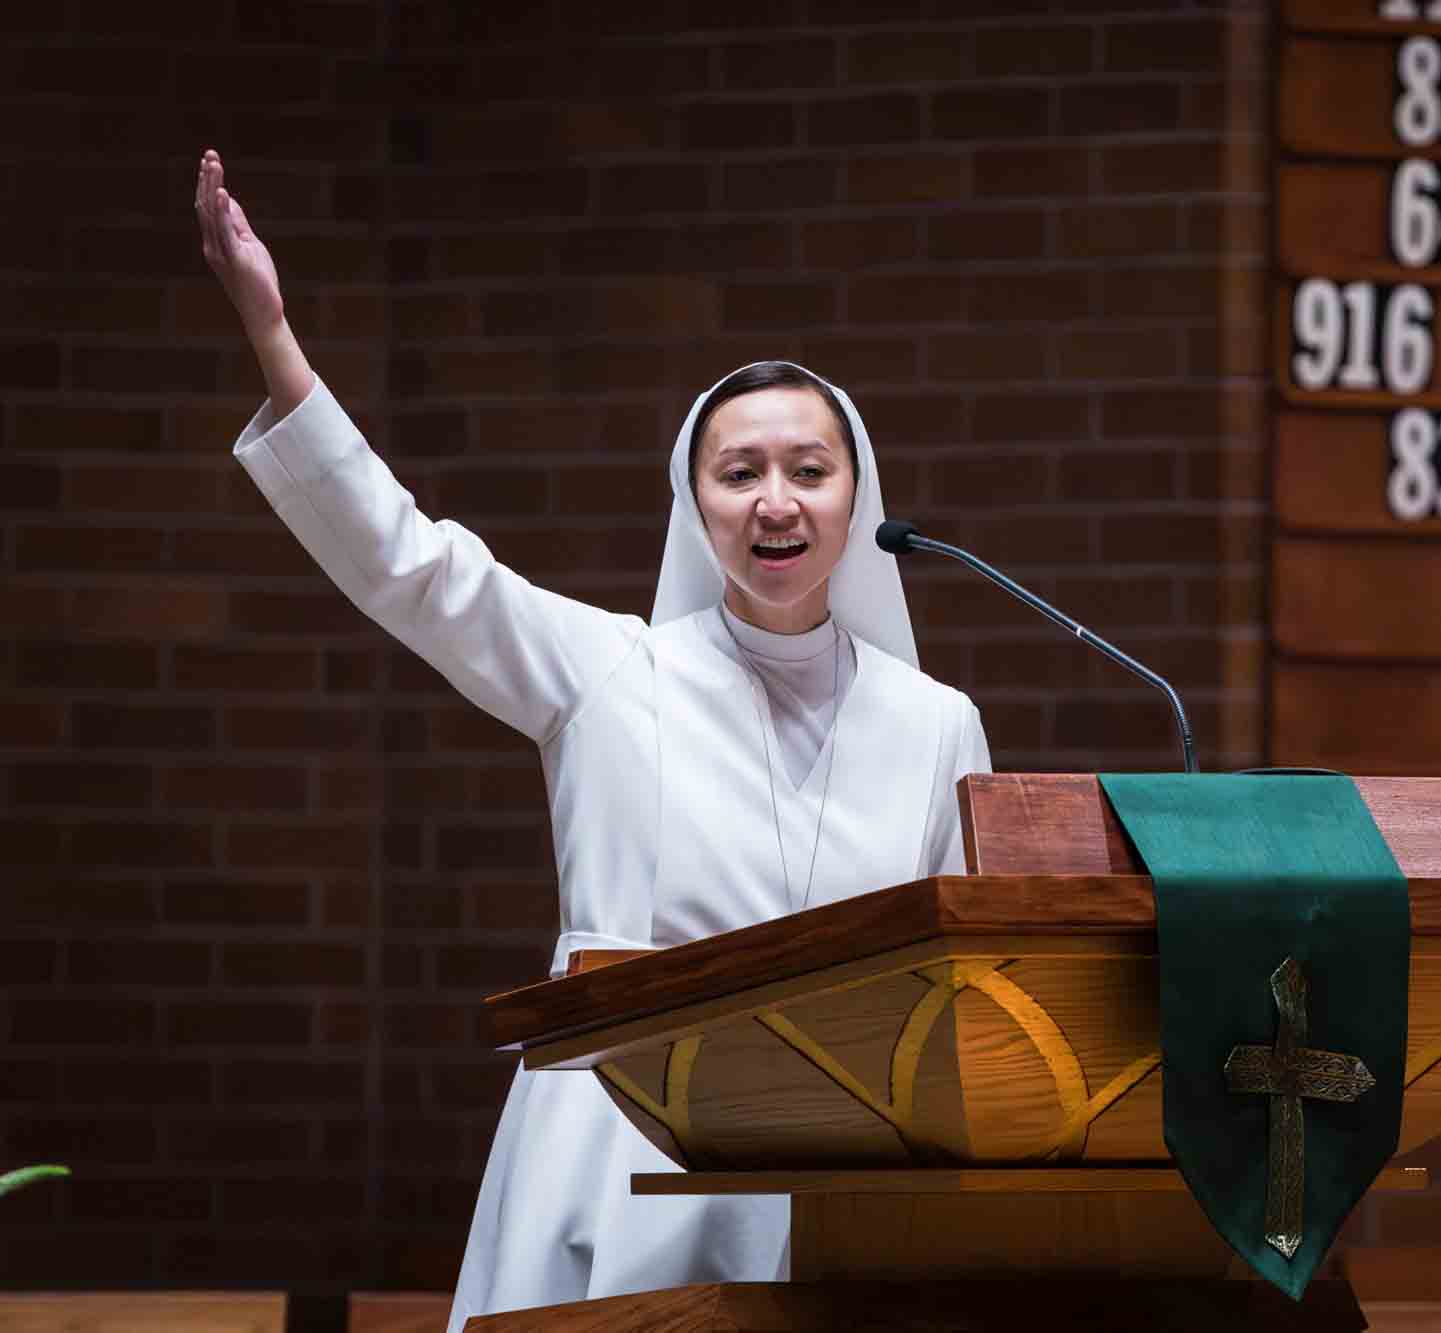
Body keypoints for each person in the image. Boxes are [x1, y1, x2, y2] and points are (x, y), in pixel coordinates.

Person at [192, 150, 991, 1329]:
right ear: (694, 501)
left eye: (808, 470)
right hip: (614, 1138)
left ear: (854, 501)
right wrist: (274, 335)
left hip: (838, 1161)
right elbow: (409, 565)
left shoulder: (935, 721)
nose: (775, 498)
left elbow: (963, 985)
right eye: (739, 471)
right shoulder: (612, 673)